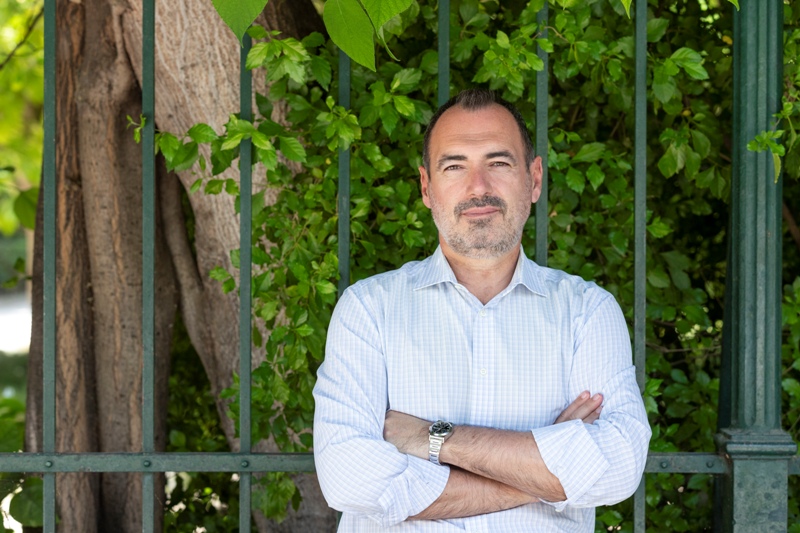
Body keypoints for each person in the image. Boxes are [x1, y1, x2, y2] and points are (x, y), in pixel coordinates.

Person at [313, 88, 651, 532]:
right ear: (426, 187)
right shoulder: (369, 309)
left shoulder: (587, 312)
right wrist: (548, 473)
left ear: (534, 179)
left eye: (498, 163)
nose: (478, 187)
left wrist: (432, 438)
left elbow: (619, 467)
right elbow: (349, 479)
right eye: (454, 166)